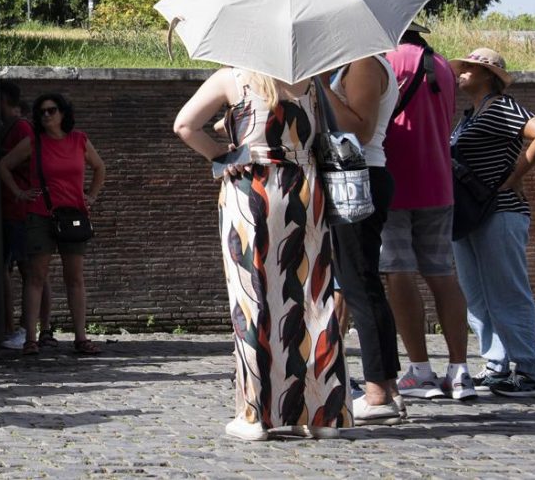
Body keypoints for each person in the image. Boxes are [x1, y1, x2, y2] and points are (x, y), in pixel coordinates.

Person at [173, 68, 350, 441]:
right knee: (313, 297)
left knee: (252, 299)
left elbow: (184, 126)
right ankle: (322, 414)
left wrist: (222, 154)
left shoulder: (232, 79)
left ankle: (255, 416)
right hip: (306, 188)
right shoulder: (311, 81)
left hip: (252, 188)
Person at [450, 48, 535, 397]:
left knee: (508, 291)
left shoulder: (501, 106)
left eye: (472, 67)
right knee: (477, 293)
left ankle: (528, 371)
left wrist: (516, 174)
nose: (463, 71)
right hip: (469, 214)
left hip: (501, 209)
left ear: (489, 75)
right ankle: (496, 364)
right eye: (463, 66)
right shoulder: (469, 115)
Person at [380, 27, 475, 401]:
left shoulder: (388, 61)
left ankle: (420, 370)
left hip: (396, 180)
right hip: (439, 183)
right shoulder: (443, 66)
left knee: (398, 270)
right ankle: (460, 370)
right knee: (442, 273)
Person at [320, 55, 403, 426]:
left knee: (359, 284)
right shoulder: (357, 65)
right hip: (356, 176)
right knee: (361, 282)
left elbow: (360, 129)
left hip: (357, 177)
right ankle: (387, 388)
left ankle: (377, 392)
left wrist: (320, 87)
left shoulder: (364, 64)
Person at [0, 92, 105, 357]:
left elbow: (100, 167)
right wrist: (20, 193)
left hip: (73, 215)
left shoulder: (79, 140)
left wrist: (91, 195)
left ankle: (80, 336)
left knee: (75, 277)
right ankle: (31, 338)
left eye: (52, 110)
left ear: (63, 113)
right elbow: (3, 166)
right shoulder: (34, 142)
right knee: (36, 276)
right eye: (42, 112)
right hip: (40, 215)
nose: (46, 115)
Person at [0, 81, 52, 350]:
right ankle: (37, 329)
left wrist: (19, 192)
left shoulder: (20, 130)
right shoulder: (17, 129)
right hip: (12, 209)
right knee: (30, 271)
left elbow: (8, 166)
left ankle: (27, 328)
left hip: (18, 211)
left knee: (30, 271)